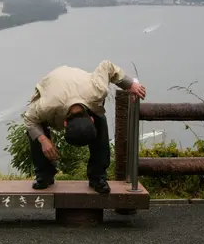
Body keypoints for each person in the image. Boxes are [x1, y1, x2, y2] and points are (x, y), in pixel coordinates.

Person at [23, 60, 146, 193]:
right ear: (65, 123)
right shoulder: (47, 106)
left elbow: (107, 66)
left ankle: (97, 177)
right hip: (55, 83)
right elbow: (29, 119)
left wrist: (130, 84)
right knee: (35, 131)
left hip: (82, 89)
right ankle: (44, 175)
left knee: (101, 123)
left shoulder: (97, 90)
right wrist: (43, 140)